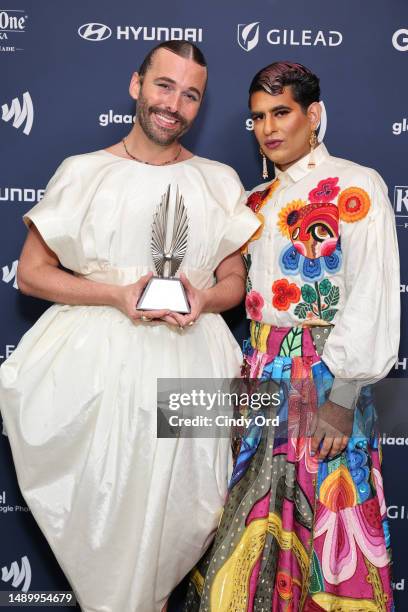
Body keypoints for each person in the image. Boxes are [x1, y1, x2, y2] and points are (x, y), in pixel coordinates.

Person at [0, 41, 260, 612]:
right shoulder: (85, 172)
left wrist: (204, 296)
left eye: (191, 94)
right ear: (136, 85)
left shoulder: (218, 181)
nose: (175, 104)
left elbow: (234, 282)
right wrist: (116, 295)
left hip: (194, 362)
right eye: (164, 86)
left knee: (181, 518)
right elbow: (32, 274)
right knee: (106, 518)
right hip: (95, 371)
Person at [183, 62, 400, 611]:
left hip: (324, 377)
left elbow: (370, 294)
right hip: (258, 370)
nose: (268, 128)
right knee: (246, 521)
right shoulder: (253, 202)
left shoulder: (355, 186)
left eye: (281, 112)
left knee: (326, 521)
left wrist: (344, 398)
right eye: (258, 117)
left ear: (314, 115)